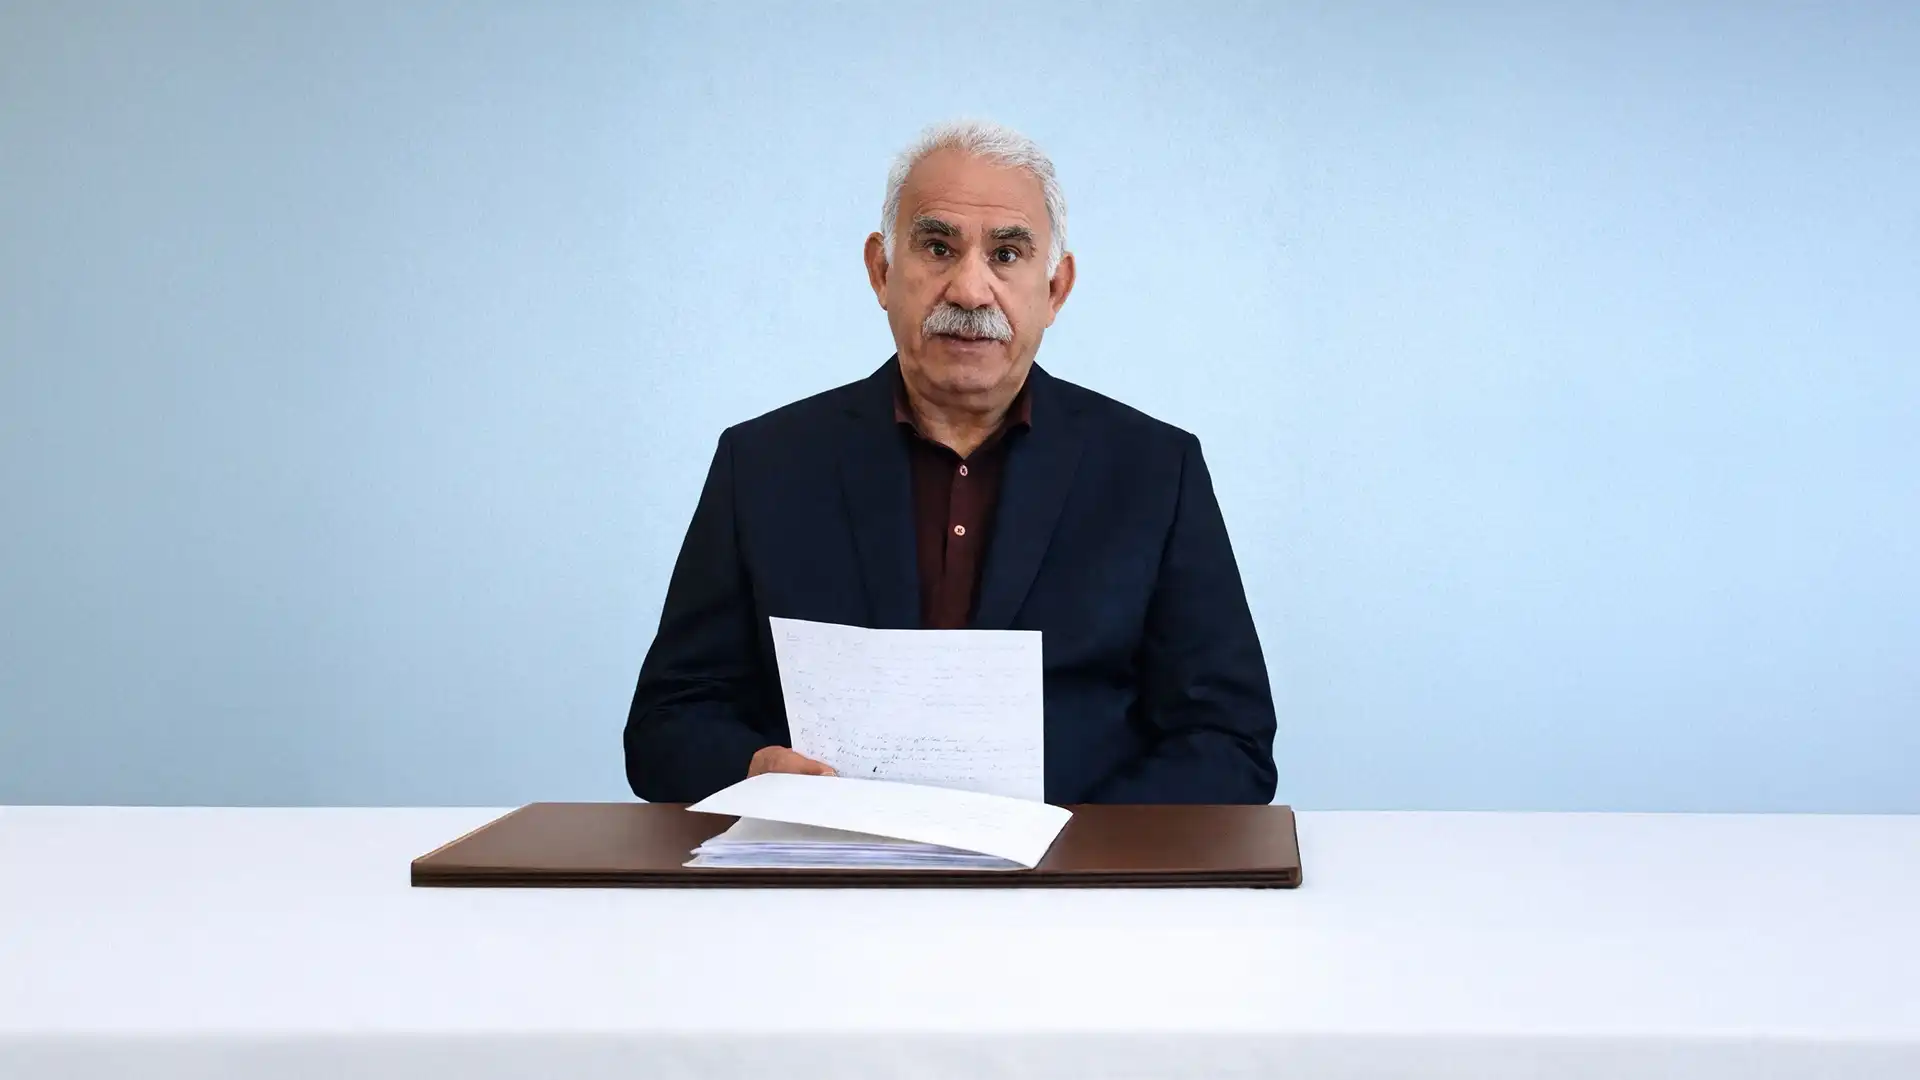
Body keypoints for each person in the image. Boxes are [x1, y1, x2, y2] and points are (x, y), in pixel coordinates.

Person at [625, 119, 1276, 805]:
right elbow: (667, 725)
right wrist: (754, 770)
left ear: (1056, 288)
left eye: (1007, 254)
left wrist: (1079, 842)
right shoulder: (762, 465)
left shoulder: (1156, 472)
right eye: (938, 248)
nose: (969, 291)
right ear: (882, 271)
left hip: (1076, 870)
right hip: (828, 862)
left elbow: (1229, 743)